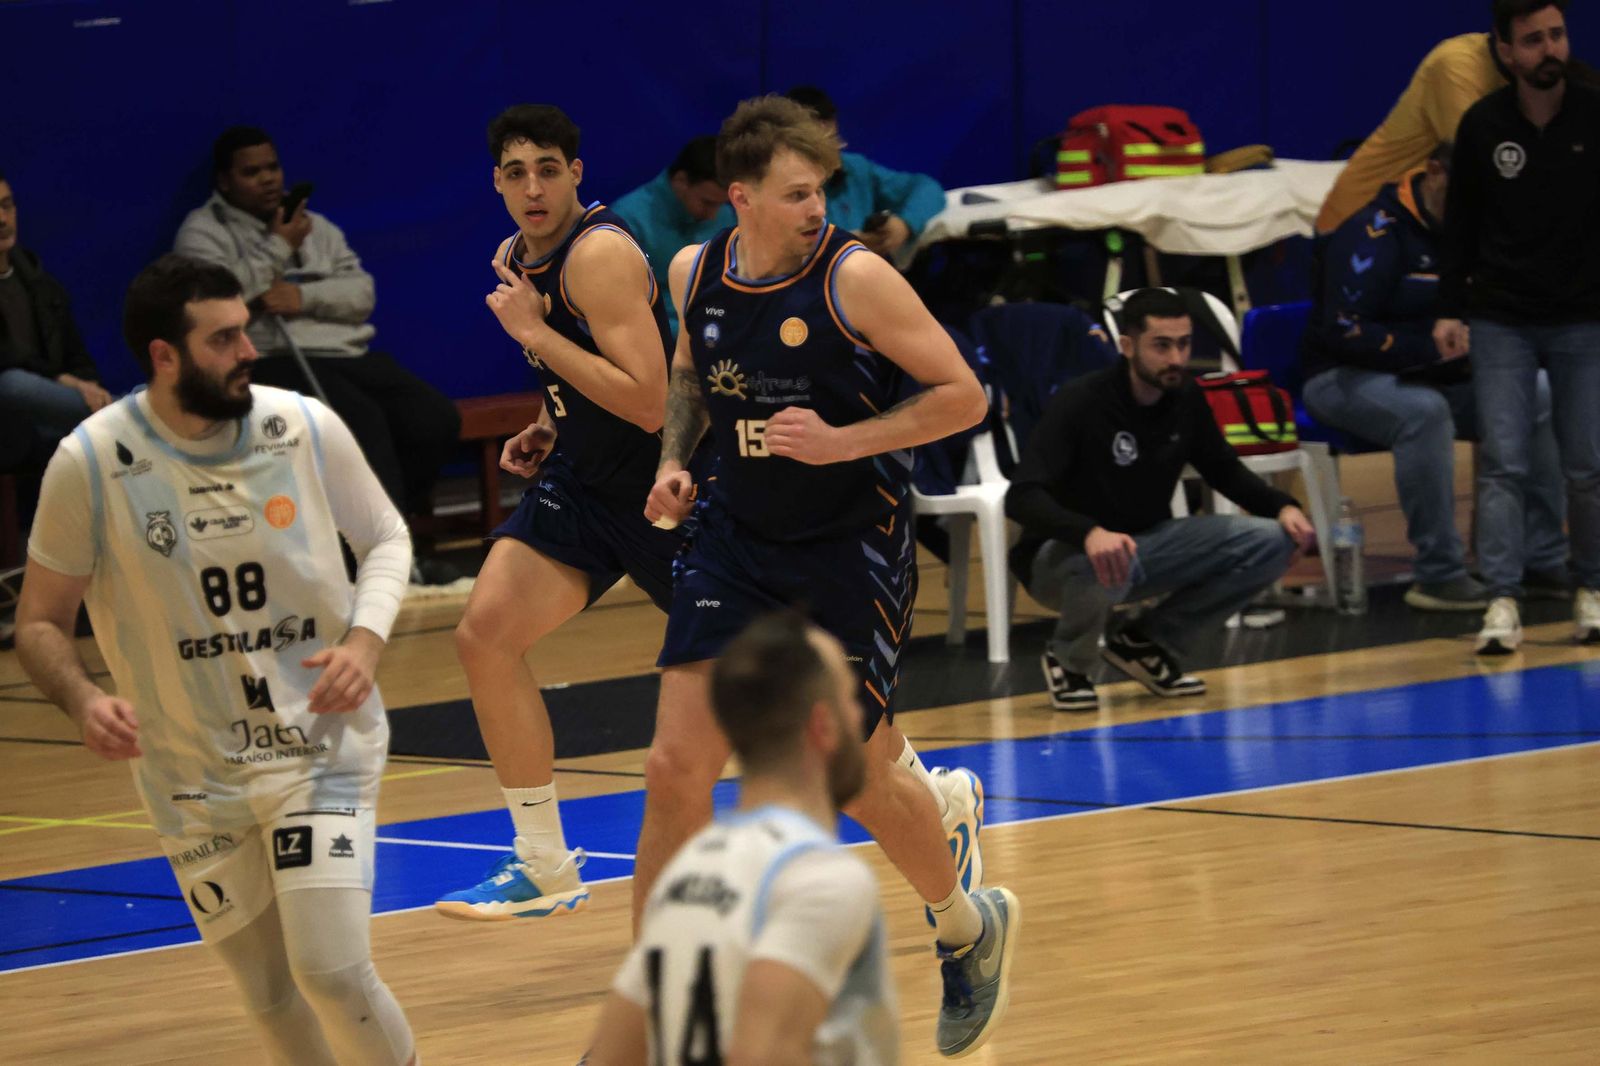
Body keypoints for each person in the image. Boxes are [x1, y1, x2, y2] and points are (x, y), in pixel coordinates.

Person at [642, 94, 1016, 1060]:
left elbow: (963, 396)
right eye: (797, 193)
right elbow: (691, 374)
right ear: (741, 198)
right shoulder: (696, 270)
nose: (818, 208)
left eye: (824, 190)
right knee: (675, 766)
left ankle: (965, 927)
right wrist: (674, 462)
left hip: (848, 543)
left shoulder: (859, 280)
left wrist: (846, 440)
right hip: (733, 538)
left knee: (853, 772)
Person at [15, 254, 417, 1065]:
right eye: (224, 337)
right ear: (164, 356)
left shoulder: (301, 424)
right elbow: (39, 623)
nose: (248, 351)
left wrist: (365, 639)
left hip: (316, 747)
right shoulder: (90, 462)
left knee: (331, 970)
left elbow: (386, 537)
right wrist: (85, 702)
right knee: (269, 995)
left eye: (245, 331)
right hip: (191, 771)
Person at [432, 104, 687, 921]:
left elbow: (651, 403)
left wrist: (536, 340)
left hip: (667, 487)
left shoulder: (601, 254)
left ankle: (924, 793)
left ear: (578, 173)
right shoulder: (515, 257)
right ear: (496, 182)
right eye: (516, 172)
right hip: (583, 482)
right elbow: (585, 378)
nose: (533, 187)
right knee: (484, 635)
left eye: (549, 168)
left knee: (785, 685)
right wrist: (547, 422)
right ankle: (542, 862)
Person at [587, 612, 898, 1065]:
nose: (859, 714)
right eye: (850, 698)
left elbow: (611, 1055)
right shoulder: (822, 880)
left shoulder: (684, 873)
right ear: (822, 726)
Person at [1007, 288, 1316, 712]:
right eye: (1161, 345)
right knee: (1106, 556)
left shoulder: (1186, 398)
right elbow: (1021, 498)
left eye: (1184, 344)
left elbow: (1223, 469)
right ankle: (1069, 662)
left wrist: (1282, 506)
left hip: (1148, 544)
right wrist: (1089, 533)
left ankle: (1148, 642)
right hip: (1062, 559)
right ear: (1128, 346)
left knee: (1272, 540)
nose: (1175, 358)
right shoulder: (1082, 401)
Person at [174, 126, 461, 575]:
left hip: (347, 356)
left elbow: (361, 293)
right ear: (224, 182)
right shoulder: (202, 233)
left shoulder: (317, 227)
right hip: (271, 360)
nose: (269, 179)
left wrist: (303, 299)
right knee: (361, 422)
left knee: (432, 418)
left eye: (273, 167)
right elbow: (212, 305)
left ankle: (388, 532)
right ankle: (383, 563)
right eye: (252, 172)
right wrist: (277, 248)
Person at [1304, 143, 1568, 611]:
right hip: (1342, 376)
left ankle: (1541, 557)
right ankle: (1438, 574)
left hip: (1441, 374)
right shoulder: (1373, 233)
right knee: (1425, 413)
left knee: (1538, 391)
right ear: (1434, 173)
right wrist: (1429, 351)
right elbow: (1343, 330)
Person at [1436, 0, 1600, 653]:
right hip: (1502, 317)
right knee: (1503, 463)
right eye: (1532, 40)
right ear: (1506, 52)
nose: (1548, 49)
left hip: (1584, 317)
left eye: (1555, 34)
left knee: (1587, 467)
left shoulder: (1595, 113)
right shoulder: (1482, 126)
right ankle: (1501, 600)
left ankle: (1591, 588)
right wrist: (1451, 306)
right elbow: (1460, 229)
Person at [1316, 31, 1509, 234]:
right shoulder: (1457, 65)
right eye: (1532, 40)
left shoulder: (1530, 79)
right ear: (1505, 36)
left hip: (1426, 229)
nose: (1546, 51)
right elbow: (1485, 176)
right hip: (1364, 222)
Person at [0, 170, 112, 472]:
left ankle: (111, 415)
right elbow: (6, 356)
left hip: (48, 410)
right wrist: (64, 380)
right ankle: (125, 415)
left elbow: (75, 353)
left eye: (7, 205)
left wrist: (88, 385)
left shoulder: (38, 280)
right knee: (11, 384)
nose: (2, 219)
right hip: (8, 412)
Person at [783, 86, 945, 260]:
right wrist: (848, 244)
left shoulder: (855, 168)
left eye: (834, 140)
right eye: (818, 147)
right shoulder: (780, 184)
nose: (834, 152)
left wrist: (905, 224)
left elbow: (927, 188)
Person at [612, 136, 728, 334]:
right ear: (681, 182)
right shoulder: (627, 221)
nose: (713, 215)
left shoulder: (726, 214)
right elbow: (624, 311)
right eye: (707, 203)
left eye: (721, 204)